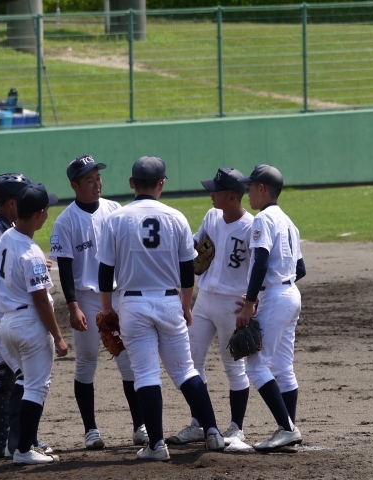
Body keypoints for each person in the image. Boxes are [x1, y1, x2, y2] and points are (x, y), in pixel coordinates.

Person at [97, 156, 225, 461]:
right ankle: (213, 432)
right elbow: (187, 269)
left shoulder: (115, 219)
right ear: (162, 183)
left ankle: (156, 446)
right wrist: (185, 305)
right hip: (169, 302)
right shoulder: (176, 218)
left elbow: (105, 270)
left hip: (133, 304)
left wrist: (107, 309)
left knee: (145, 374)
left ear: (132, 183)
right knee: (185, 370)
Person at [49, 154, 147, 450]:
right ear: (74, 185)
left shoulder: (114, 210)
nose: (96, 184)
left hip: (118, 295)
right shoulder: (65, 221)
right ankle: (91, 430)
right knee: (86, 361)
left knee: (128, 361)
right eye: (89, 180)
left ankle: (140, 425)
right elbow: (65, 269)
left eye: (98, 178)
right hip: (86, 298)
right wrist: (73, 306)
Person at [166, 168, 254, 451]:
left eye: (215, 191)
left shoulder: (251, 227)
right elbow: (193, 247)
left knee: (234, 365)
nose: (211, 195)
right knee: (191, 360)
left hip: (233, 304)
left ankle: (236, 428)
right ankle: (199, 424)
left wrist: (253, 303)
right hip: (204, 300)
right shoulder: (212, 216)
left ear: (232, 196)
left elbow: (260, 268)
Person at [0, 173, 54, 459]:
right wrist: (27, 272)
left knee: (3, 374)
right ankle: (21, 443)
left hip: (2, 307)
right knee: (24, 376)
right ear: (12, 203)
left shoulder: (8, 229)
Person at [0, 183, 69, 465]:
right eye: (46, 209)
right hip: (29, 326)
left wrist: (39, 265)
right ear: (40, 214)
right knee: (37, 387)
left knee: (27, 382)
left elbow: (17, 268)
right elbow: (40, 300)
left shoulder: (7, 236)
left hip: (7, 324)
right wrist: (58, 336)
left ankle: (25, 444)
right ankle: (24, 450)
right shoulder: (32, 251)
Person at [235, 164, 306, 452]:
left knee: (255, 365)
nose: (247, 192)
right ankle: (287, 430)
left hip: (276, 299)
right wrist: (273, 287)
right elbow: (300, 269)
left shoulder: (263, 219)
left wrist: (250, 303)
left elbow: (261, 262)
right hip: (291, 295)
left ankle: (287, 429)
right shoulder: (288, 221)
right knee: (283, 367)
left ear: (262, 188)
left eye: (250, 187)